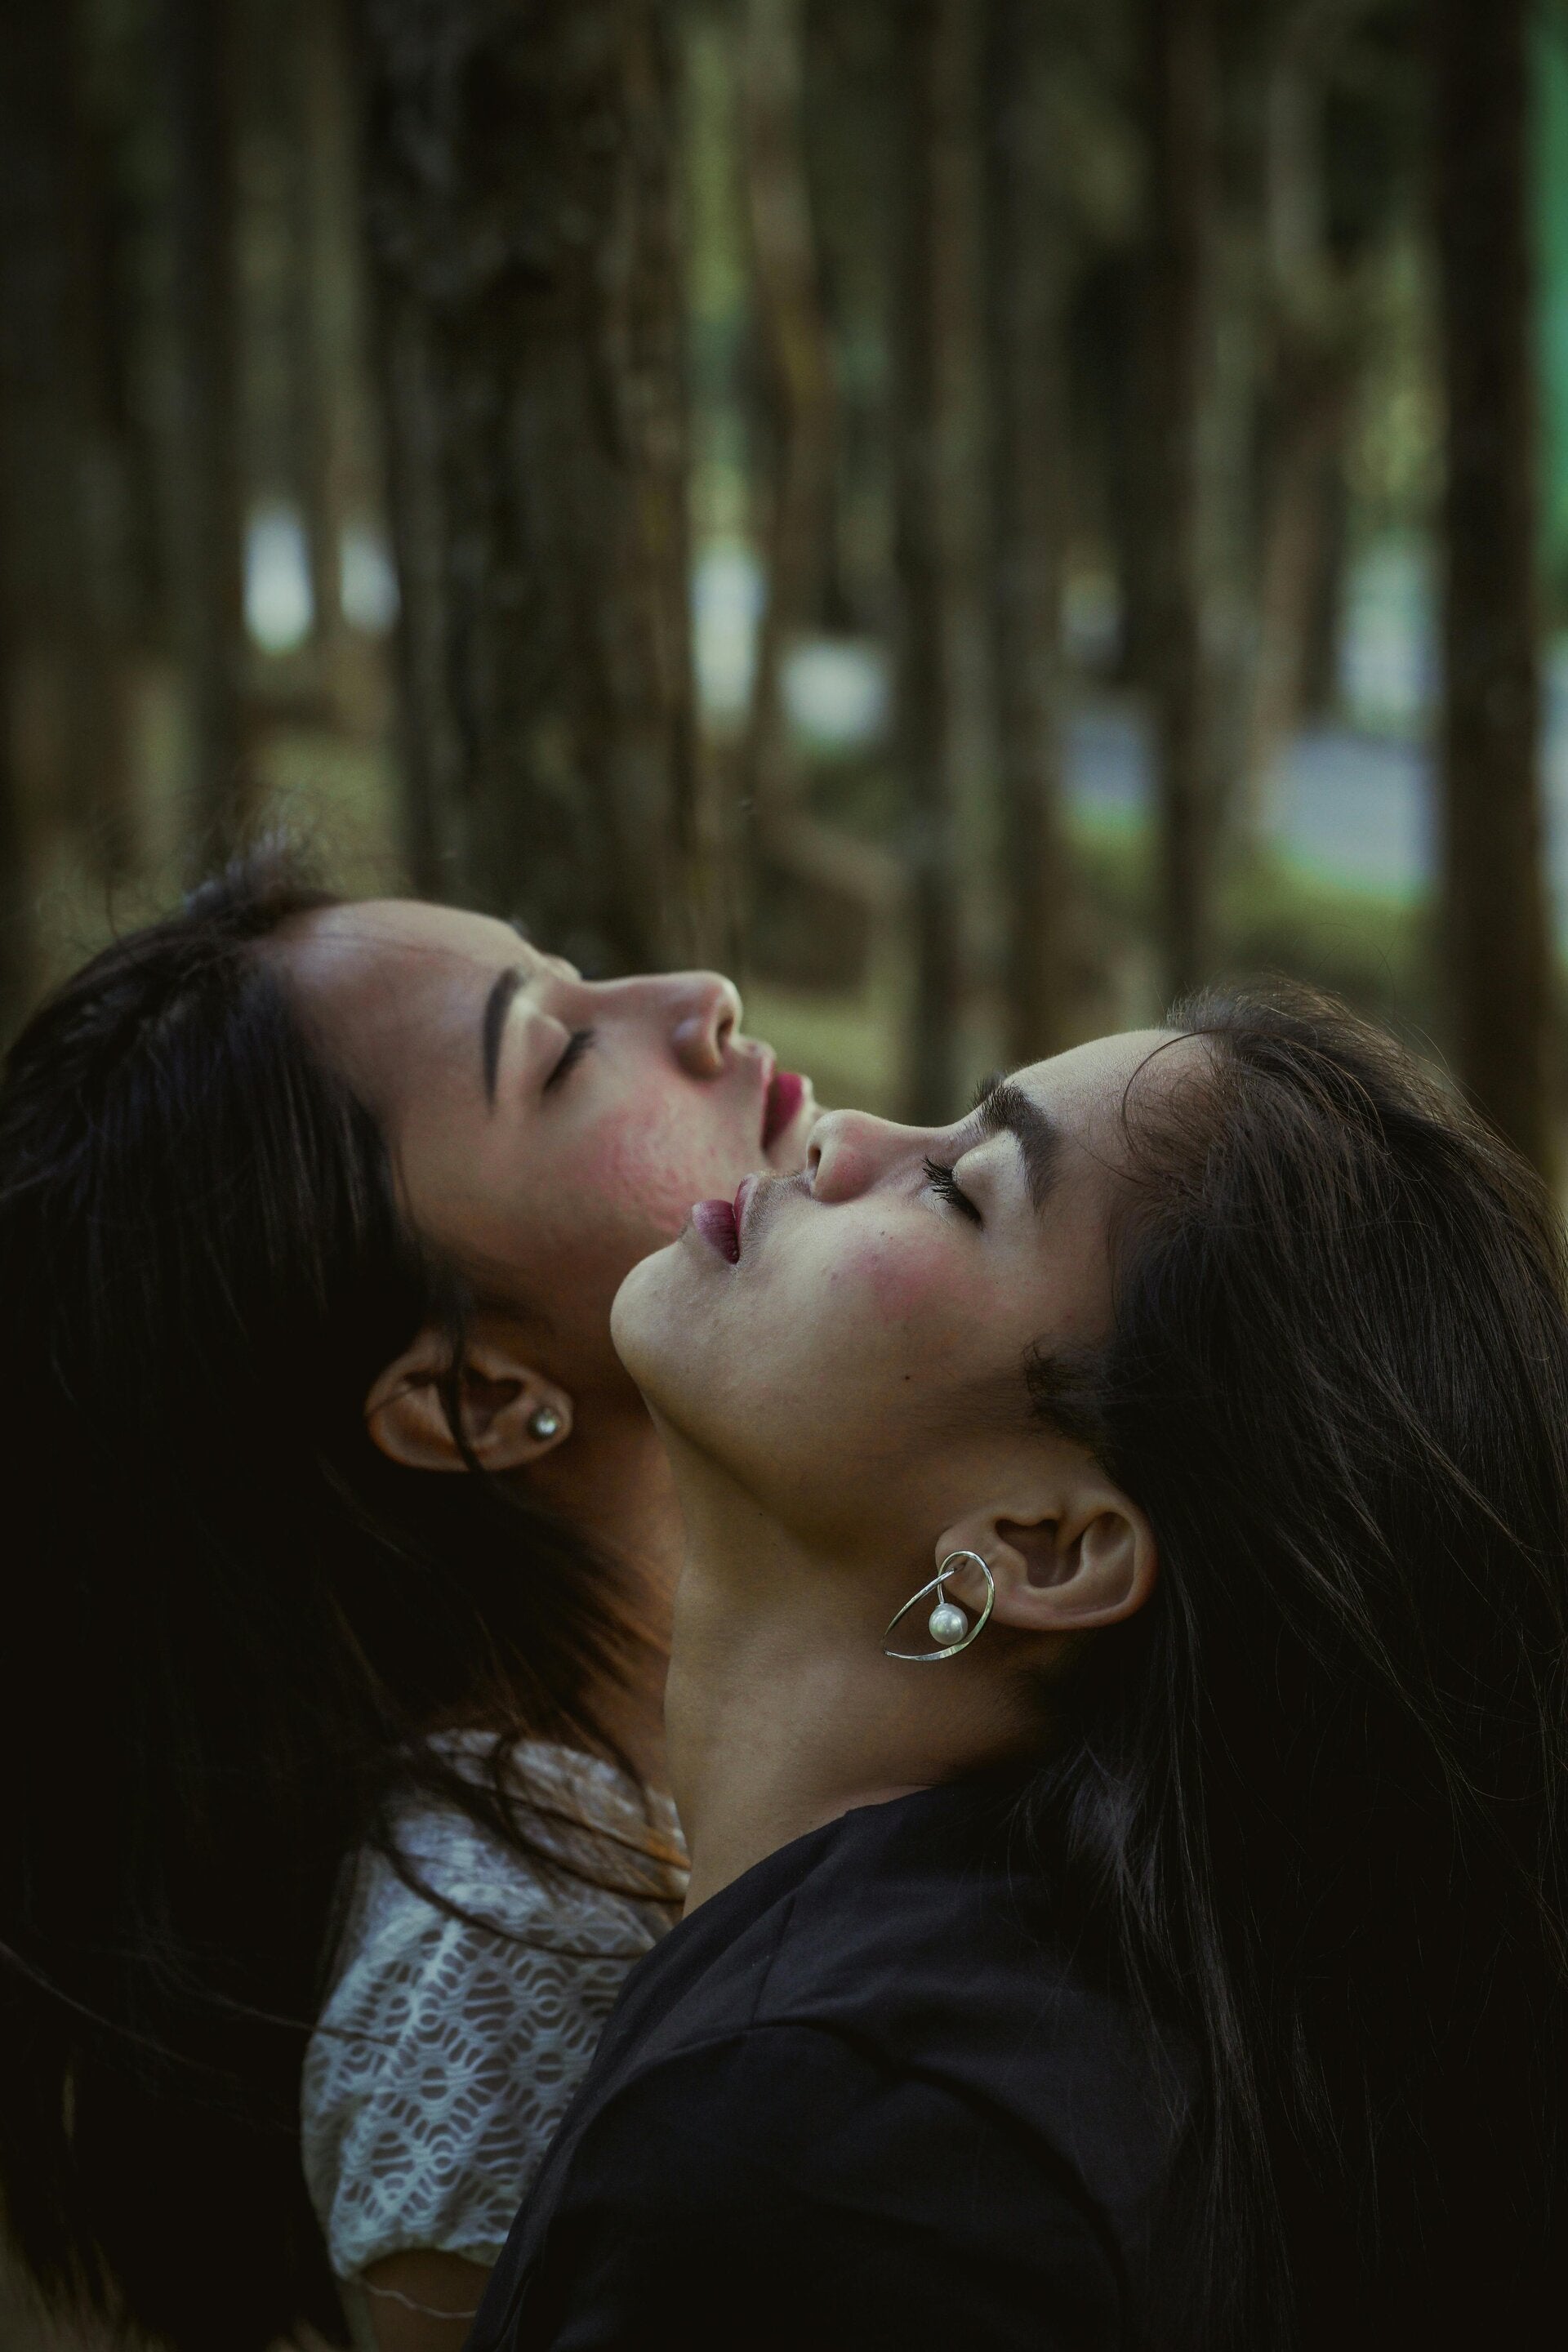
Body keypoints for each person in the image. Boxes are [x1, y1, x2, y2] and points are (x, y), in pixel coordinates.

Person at [470, 991, 1568, 2352]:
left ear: (1044, 1545)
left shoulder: (839, 2160)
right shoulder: (993, 2053)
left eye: (958, 1189)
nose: (847, 1136)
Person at [0, 844, 816, 2352]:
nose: (700, 998)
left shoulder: (838, 1642)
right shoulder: (491, 1956)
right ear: (474, 1401)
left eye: (576, 982)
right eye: (559, 1056)